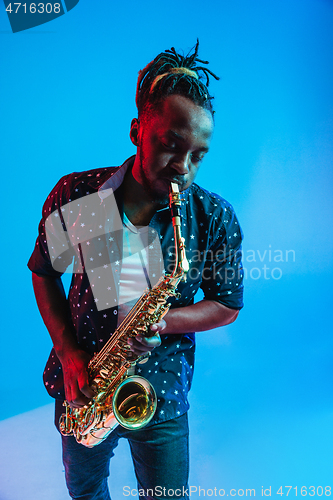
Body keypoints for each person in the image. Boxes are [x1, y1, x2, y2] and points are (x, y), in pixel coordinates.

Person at [28, 41, 244, 500]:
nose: (183, 169)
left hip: (159, 395)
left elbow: (226, 305)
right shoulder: (80, 196)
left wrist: (160, 320)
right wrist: (67, 352)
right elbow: (45, 272)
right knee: (85, 492)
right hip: (85, 383)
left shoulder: (213, 217)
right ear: (136, 131)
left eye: (198, 154)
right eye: (170, 145)